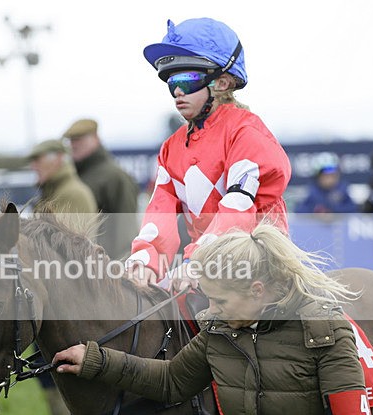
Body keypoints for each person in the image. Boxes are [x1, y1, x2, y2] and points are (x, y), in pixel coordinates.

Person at [54, 225, 372, 415]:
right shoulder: (219, 330)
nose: (210, 310)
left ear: (257, 290)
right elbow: (171, 381)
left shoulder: (326, 333)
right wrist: (97, 360)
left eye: (220, 301)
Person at [125, 17, 292, 291]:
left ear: (223, 83)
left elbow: (238, 207)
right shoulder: (171, 148)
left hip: (262, 271)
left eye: (187, 80)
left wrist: (198, 261)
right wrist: (143, 261)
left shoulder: (247, 133)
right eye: (170, 82)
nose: (177, 91)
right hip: (202, 268)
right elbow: (159, 213)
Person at [27, 139, 97, 415]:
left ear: (57, 160)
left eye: (38, 160)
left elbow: (73, 255)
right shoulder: (53, 193)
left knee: (63, 368)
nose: (33, 167)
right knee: (50, 370)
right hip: (52, 299)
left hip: (68, 303)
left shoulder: (71, 194)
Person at [62, 118, 139, 259]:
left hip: (105, 266)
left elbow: (125, 230)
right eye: (71, 140)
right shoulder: (77, 176)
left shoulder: (115, 178)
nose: (74, 145)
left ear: (95, 139)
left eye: (79, 139)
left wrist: (118, 269)